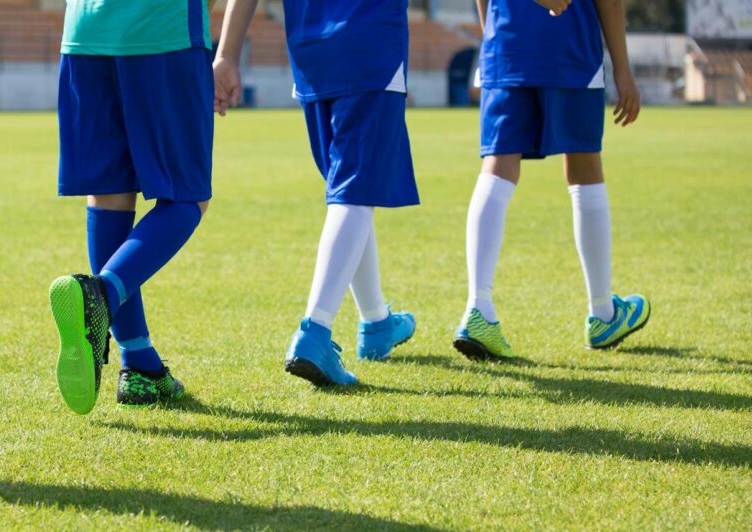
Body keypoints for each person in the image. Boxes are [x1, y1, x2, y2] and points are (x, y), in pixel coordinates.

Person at [214, 0, 419, 388]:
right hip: (370, 42)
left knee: (351, 191)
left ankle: (376, 321)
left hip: (310, 51)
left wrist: (226, 54)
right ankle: (315, 331)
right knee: (353, 194)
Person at [453, 0, 649, 360]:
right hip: (568, 47)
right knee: (584, 163)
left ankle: (478, 307)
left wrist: (494, 33)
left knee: (497, 162)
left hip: (506, 42)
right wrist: (622, 68)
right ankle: (603, 312)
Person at [47, 0, 215, 414]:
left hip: (85, 34)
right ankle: (102, 294)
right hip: (163, 30)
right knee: (188, 195)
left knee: (108, 195)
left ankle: (138, 362)